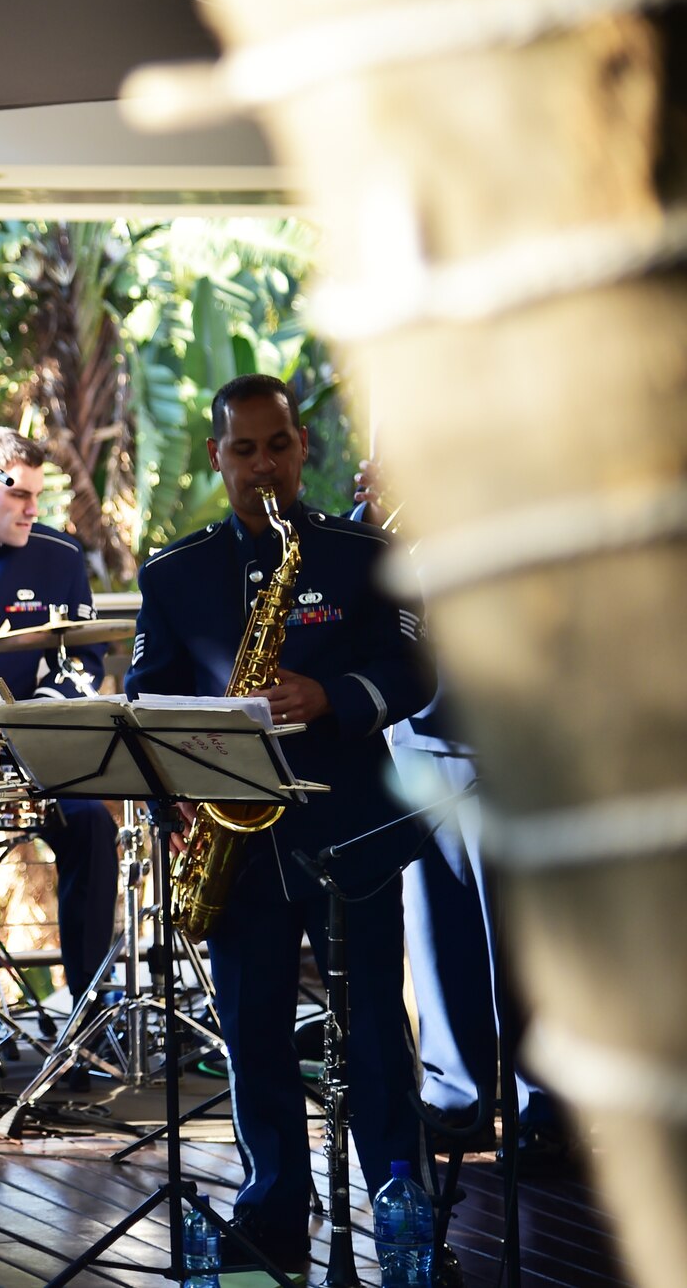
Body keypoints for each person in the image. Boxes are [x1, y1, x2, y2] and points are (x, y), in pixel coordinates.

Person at [124, 375, 436, 1275]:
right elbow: (148, 698)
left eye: (278, 445)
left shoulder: (371, 553)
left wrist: (330, 696)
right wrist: (174, 793)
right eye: (243, 449)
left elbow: (416, 673)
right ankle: (270, 1210)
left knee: (376, 1025)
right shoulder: (175, 573)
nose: (263, 464)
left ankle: (398, 1198)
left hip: (355, 836)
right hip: (240, 845)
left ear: (304, 447)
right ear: (219, 457)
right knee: (254, 1032)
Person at [352, 462, 570, 1166]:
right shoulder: (383, 520)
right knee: (438, 925)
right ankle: (460, 1100)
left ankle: (546, 1105)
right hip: (420, 735)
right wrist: (378, 513)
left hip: (511, 732)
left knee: (526, 931)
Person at [0, 428, 120, 1019]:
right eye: (19, 496)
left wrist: (38, 709)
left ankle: (87, 1010)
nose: (34, 509)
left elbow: (85, 659)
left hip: (30, 753)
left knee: (91, 827)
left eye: (38, 495)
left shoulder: (59, 557)